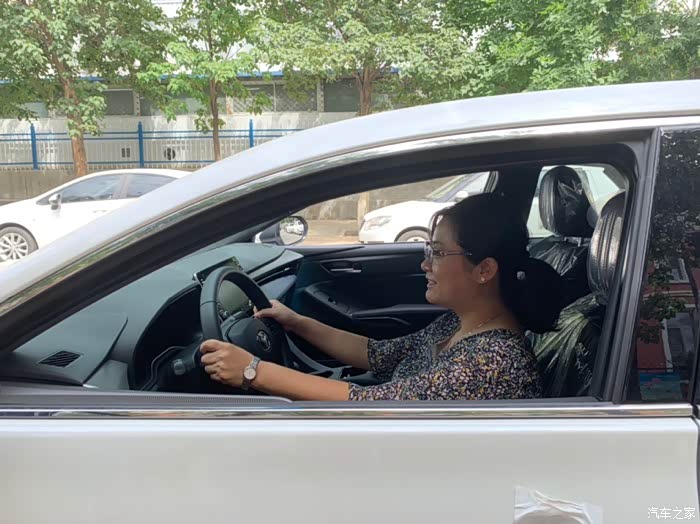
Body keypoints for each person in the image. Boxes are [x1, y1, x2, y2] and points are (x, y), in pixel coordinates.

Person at [199, 193, 565, 401]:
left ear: (484, 270)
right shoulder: (460, 323)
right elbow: (376, 354)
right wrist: (295, 321)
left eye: (438, 253)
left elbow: (367, 405)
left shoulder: (491, 363)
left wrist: (253, 371)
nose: (425, 264)